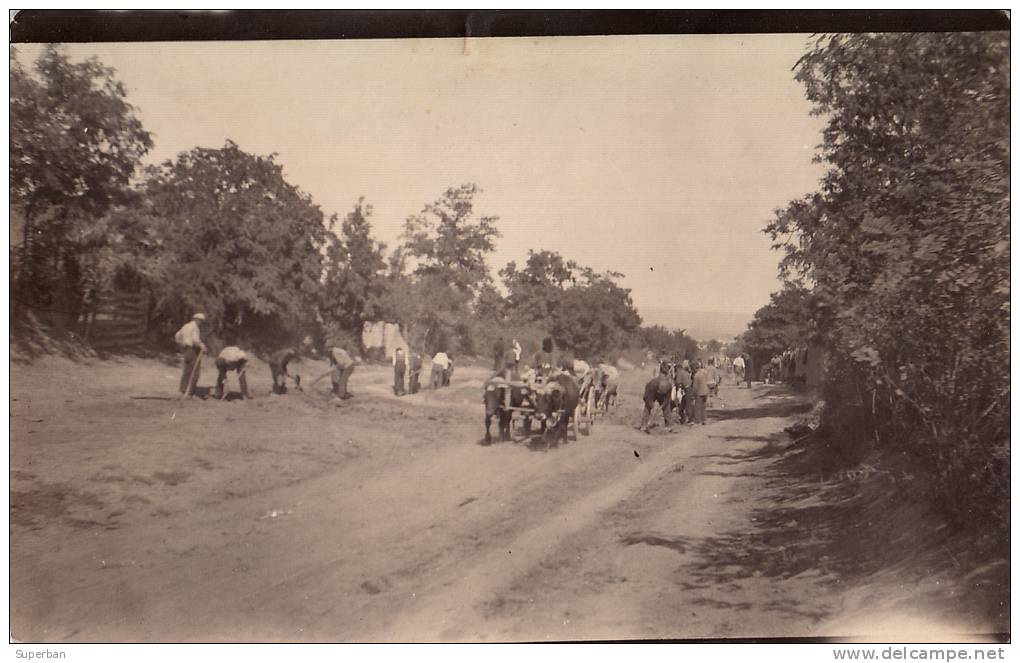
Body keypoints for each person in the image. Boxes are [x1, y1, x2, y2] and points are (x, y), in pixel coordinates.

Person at [174, 313, 208, 398]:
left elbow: (177, 336)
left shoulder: (185, 326)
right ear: (197, 320)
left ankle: (182, 391)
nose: (201, 323)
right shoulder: (195, 327)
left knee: (186, 371)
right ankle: (190, 393)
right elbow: (195, 340)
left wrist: (182, 344)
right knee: (195, 372)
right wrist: (202, 346)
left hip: (186, 349)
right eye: (201, 321)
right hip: (193, 350)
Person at [692, 360, 710, 425]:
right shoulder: (705, 373)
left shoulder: (696, 375)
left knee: (697, 407)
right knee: (703, 407)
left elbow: (695, 387)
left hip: (699, 393)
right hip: (705, 392)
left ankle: (698, 421)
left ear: (695, 368)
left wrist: (693, 395)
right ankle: (704, 420)